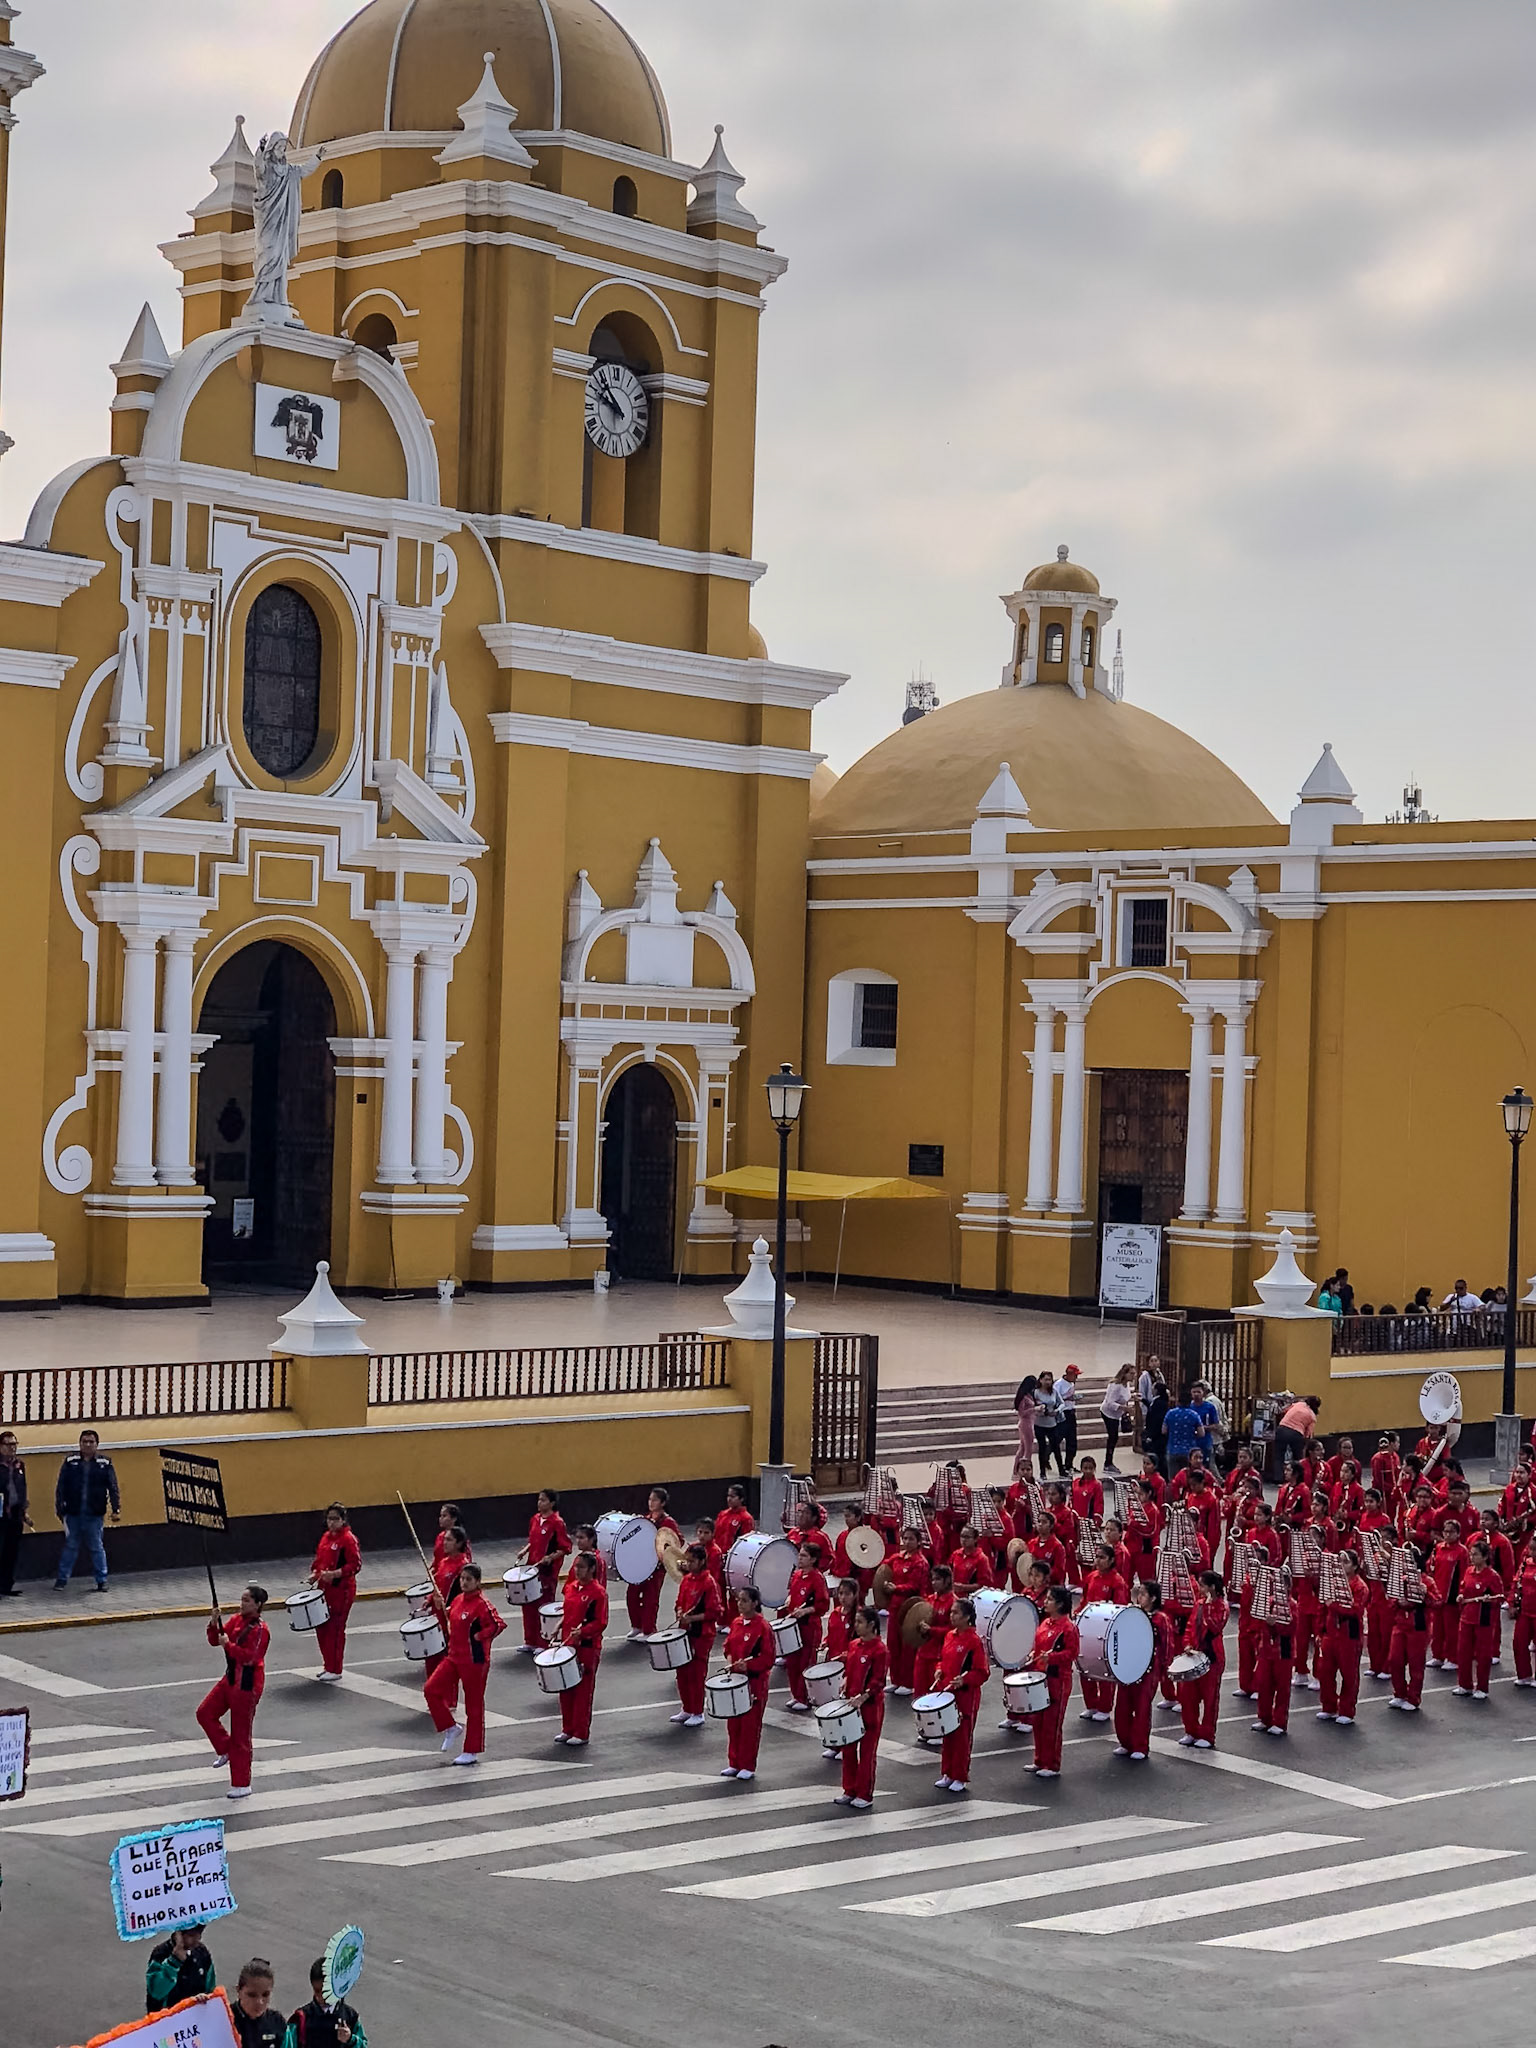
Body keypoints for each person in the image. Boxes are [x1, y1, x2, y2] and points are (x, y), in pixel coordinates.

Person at [425, 1560, 505, 1763]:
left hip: (474, 1661)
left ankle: (471, 1750)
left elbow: (497, 1624)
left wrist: (479, 1637)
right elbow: (449, 1620)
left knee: (474, 1706)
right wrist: (438, 1606)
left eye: (469, 1579)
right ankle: (450, 1727)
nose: (464, 1582)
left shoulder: (482, 1604)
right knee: (431, 1689)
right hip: (453, 1657)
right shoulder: (459, 1599)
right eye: (462, 1579)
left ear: (478, 1582)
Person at [197, 1583, 270, 1798]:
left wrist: (227, 1645)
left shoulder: (259, 1630)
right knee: (205, 1713)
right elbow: (214, 1640)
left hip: (247, 1684)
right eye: (242, 1599)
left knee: (241, 1735)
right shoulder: (237, 1620)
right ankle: (225, 1748)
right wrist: (213, 1622)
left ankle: (241, 1783)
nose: (242, 1603)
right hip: (230, 1678)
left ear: (258, 1605)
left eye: (247, 1600)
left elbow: (251, 1657)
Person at [934, 1595, 989, 1793]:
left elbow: (982, 1672)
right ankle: (947, 1772)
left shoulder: (974, 1641)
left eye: (956, 1612)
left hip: (966, 1695)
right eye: (951, 1612)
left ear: (967, 1617)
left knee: (962, 1737)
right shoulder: (950, 1636)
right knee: (948, 1734)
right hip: (947, 1692)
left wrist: (964, 1680)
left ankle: (960, 1775)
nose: (952, 1615)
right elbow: (942, 1658)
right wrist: (939, 1669)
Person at [53, 1428, 120, 1591]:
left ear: (97, 1444)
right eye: (84, 1441)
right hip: (73, 1512)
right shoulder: (70, 1461)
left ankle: (101, 1580)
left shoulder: (105, 1463)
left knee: (96, 1547)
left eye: (91, 1442)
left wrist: (116, 1508)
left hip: (94, 1513)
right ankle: (62, 1579)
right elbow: (61, 1485)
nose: (87, 1445)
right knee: (70, 1546)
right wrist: (59, 1507)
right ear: (80, 1443)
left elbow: (112, 1486)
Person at [835, 1604, 888, 1808]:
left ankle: (864, 1794)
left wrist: (863, 1697)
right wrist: (846, 1680)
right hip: (851, 1704)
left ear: (872, 1625)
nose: (856, 1625)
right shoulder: (854, 1645)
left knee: (866, 1752)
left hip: (869, 1707)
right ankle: (849, 1789)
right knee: (848, 1749)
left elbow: (878, 1681)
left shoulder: (880, 1650)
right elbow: (851, 1670)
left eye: (860, 1622)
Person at [721, 1584, 774, 1780]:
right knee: (733, 1724)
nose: (740, 1604)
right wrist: (729, 1660)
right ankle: (734, 1762)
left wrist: (748, 1666)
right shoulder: (736, 1623)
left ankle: (747, 1765)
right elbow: (727, 1646)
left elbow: (768, 1659)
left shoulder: (763, 1627)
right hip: (736, 1681)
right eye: (738, 1600)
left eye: (744, 1600)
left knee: (750, 1726)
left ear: (755, 1603)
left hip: (754, 1683)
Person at [1026, 1585, 1079, 1779]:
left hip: (1058, 1679)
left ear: (1059, 1603)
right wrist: (1035, 1653)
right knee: (1038, 1721)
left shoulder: (1068, 1628)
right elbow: (1039, 1645)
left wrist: (1053, 1658)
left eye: (1049, 1599)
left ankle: (1052, 1763)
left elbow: (1071, 1653)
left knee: (1052, 1723)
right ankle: (1039, 1759)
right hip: (1040, 1677)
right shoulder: (1045, 1623)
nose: (1045, 1602)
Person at [1113, 1580, 1168, 1762]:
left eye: (1143, 1594)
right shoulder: (1133, 1614)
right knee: (1122, 1707)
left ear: (1153, 1598)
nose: (1139, 1597)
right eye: (1139, 1593)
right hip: (1129, 1667)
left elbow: (1166, 1646)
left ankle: (1140, 1745)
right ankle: (1125, 1742)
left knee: (1142, 1709)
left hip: (1148, 1670)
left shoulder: (1160, 1619)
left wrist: (1162, 1670)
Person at [670, 1541, 724, 1726]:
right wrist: (679, 1611)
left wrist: (692, 1619)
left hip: (701, 1634)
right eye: (688, 1561)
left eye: (692, 1561)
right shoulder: (686, 1580)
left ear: (702, 1561)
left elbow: (715, 1612)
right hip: (685, 1632)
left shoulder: (709, 1583)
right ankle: (686, 1708)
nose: (689, 1564)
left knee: (696, 1673)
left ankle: (698, 1711)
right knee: (682, 1672)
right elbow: (679, 1602)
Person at [558, 1550, 607, 1748]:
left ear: (592, 1569)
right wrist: (558, 1626)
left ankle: (581, 1731)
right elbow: (567, 1614)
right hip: (568, 1645)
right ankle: (567, 1728)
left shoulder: (598, 1593)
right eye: (576, 1567)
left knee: (583, 1691)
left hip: (587, 1647)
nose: (577, 1571)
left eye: (581, 1567)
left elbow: (601, 1622)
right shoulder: (570, 1588)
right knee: (566, 1688)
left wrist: (584, 1631)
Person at [308, 1502, 360, 1683]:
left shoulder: (348, 1539)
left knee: (336, 1629)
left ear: (343, 1520)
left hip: (342, 1589)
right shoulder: (325, 1538)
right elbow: (319, 1561)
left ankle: (336, 1668)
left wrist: (335, 1574)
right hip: (324, 1589)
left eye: (335, 1519)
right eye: (329, 1519)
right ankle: (327, 1664)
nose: (331, 1523)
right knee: (321, 1627)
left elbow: (355, 1565)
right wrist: (315, 1575)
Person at [1077, 1542, 1129, 1722]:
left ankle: (1105, 1707)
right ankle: (1090, 1704)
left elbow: (1119, 1607)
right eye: (1097, 1557)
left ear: (1112, 1560)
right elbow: (1084, 1600)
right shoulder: (1091, 1577)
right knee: (1086, 1667)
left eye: (1102, 1558)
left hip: (1106, 1631)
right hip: (1088, 1629)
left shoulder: (1117, 1582)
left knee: (1105, 1670)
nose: (1098, 1561)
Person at [1316, 1550, 1368, 1726]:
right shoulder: (1331, 1582)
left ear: (1354, 1566)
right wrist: (1320, 1631)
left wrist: (1335, 1605)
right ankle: (1329, 1706)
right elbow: (1322, 1608)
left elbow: (1355, 1610)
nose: (1341, 1565)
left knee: (1349, 1674)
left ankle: (1347, 1709)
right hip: (1331, 1634)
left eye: (1346, 1562)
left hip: (1349, 1636)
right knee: (1325, 1671)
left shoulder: (1360, 1587)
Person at [1179, 1571, 1228, 1749]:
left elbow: (1215, 1627)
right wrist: (1186, 1644)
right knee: (1188, 1696)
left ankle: (1207, 1735)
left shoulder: (1222, 1606)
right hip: (1195, 1654)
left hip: (1212, 1658)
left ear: (1212, 1588)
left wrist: (1208, 1606)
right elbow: (1190, 1627)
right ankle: (1191, 1730)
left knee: (1210, 1698)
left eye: (1202, 1585)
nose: (1199, 1589)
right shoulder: (1198, 1605)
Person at [517, 1489, 569, 1653]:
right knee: (528, 1604)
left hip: (547, 1571)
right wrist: (525, 1550)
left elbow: (565, 1547)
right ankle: (530, 1640)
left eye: (544, 1500)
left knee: (543, 1605)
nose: (540, 1503)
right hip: (531, 1567)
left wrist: (550, 1558)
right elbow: (533, 1540)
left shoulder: (557, 1522)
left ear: (552, 1503)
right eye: (539, 1500)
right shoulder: (535, 1519)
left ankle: (543, 1643)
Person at [626, 1487, 682, 1642]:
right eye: (650, 1499)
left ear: (663, 1503)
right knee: (632, 1594)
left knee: (651, 1598)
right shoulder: (645, 1519)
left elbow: (678, 1540)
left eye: (655, 1500)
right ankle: (636, 1626)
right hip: (642, 1564)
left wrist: (664, 1550)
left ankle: (649, 1629)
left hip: (656, 1567)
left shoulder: (667, 1522)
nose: (651, 1502)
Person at [780, 1540, 831, 1709]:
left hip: (809, 1626)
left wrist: (806, 1611)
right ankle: (796, 1694)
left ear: (813, 1559)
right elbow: (792, 1594)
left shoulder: (817, 1579)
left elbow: (822, 1605)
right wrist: (789, 1600)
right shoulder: (796, 1575)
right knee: (793, 1661)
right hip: (794, 1625)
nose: (800, 1558)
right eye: (800, 1555)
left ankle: (806, 1698)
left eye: (804, 1556)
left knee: (806, 1662)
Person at [1454, 1539, 1505, 1700]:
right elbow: (1464, 1588)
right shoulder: (1469, 1571)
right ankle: (1465, 1685)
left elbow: (1500, 1598)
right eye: (1471, 1554)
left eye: (1475, 1554)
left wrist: (1489, 1599)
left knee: (1483, 1655)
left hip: (1483, 1619)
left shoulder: (1492, 1576)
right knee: (1463, 1653)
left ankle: (1482, 1687)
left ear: (1484, 1557)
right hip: (1467, 1617)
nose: (1472, 1557)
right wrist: (1461, 1595)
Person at [884, 1525, 931, 1696]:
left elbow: (915, 1586)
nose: (907, 1541)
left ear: (919, 1542)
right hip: (895, 1607)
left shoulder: (920, 1562)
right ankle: (896, 1679)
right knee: (893, 1643)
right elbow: (884, 1570)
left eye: (911, 1538)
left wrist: (896, 1588)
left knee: (908, 1646)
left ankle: (908, 1682)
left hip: (912, 1609)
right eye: (905, 1538)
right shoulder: (897, 1558)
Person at [284, 1957, 366, 2048]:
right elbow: (288, 2044)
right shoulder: (300, 2018)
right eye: (318, 1991)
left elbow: (363, 2045)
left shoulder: (350, 2016)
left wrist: (350, 2039)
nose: (323, 1996)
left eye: (327, 1991)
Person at [1389, 1542, 1432, 1712]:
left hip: (1418, 1626)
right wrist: (1398, 1602)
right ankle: (1399, 1693)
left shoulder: (1427, 1581)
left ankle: (1414, 1698)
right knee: (1394, 1660)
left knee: (1416, 1664)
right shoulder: (1400, 1580)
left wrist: (1425, 1594)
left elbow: (1437, 1602)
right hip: (1400, 1625)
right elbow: (1391, 1601)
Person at [146, 1926, 215, 2014]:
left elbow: (210, 1987)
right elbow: (156, 1992)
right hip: (167, 2018)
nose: (196, 1941)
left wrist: (205, 1998)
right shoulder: (160, 1954)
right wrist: (174, 1962)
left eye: (199, 1936)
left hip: (194, 2018)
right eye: (191, 1936)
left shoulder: (202, 1953)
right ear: (178, 1934)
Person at [0, 1430, 30, 1596]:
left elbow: (23, 1488)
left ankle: (6, 1585)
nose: (12, 1448)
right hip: (0, 1514)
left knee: (11, 1552)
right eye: (8, 1444)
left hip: (15, 1515)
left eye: (14, 1444)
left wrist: (24, 1511)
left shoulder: (20, 1465)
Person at [232, 1959, 285, 2048]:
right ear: (239, 1991)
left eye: (265, 1995)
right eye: (252, 1995)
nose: (259, 2002)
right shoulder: (224, 2019)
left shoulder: (276, 2021)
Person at [1273, 1394, 1321, 1474]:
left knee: (1279, 1455)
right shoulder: (1312, 1416)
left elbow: (1285, 1410)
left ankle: (1278, 1477)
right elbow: (1308, 1434)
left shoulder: (1298, 1404)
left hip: (1282, 1428)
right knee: (1297, 1457)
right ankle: (1297, 1475)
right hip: (1296, 1433)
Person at [1100, 1365, 1135, 1473]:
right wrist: (1125, 1408)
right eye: (1131, 1373)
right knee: (1113, 1437)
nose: (1133, 1376)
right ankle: (1108, 1463)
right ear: (1124, 1374)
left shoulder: (1126, 1385)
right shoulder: (1115, 1385)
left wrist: (1133, 1396)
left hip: (1117, 1414)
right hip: (1109, 1413)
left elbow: (1124, 1397)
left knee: (1114, 1437)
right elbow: (1110, 1402)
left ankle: (1109, 1462)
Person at [1034, 1372, 1065, 1478]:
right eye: (1046, 1379)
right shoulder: (1036, 1393)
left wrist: (1057, 1411)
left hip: (1052, 1423)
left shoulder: (1054, 1392)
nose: (1048, 1382)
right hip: (1039, 1423)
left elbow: (1062, 1403)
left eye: (1050, 1380)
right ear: (1041, 1380)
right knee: (1042, 1448)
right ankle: (1042, 1472)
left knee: (1056, 1447)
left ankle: (1061, 1470)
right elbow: (1033, 1407)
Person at [714, 1482, 755, 1561]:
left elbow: (747, 1543)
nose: (729, 1499)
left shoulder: (746, 1518)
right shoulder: (722, 1514)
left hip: (732, 1558)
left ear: (741, 1499)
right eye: (728, 1496)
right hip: (718, 1556)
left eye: (733, 1496)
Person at [1053, 1365, 1081, 1470]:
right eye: (1075, 1375)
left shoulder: (1071, 1384)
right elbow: (1055, 1400)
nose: (1076, 1378)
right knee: (1059, 1438)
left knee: (1072, 1441)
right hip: (1063, 1413)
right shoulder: (1058, 1385)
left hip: (1071, 1412)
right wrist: (1066, 1398)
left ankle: (1069, 1464)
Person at [1142, 1379, 1171, 1476]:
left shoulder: (1160, 1403)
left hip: (1158, 1436)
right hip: (1156, 1435)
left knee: (1159, 1457)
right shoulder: (1157, 1401)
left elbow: (1156, 1420)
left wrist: (1151, 1435)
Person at [1012, 1374, 1038, 1478]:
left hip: (1028, 1422)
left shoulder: (1028, 1395)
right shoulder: (1024, 1397)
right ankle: (1026, 1471)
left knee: (1022, 1448)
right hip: (1026, 1423)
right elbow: (1022, 1413)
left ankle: (1016, 1471)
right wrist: (1035, 1409)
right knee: (1028, 1449)